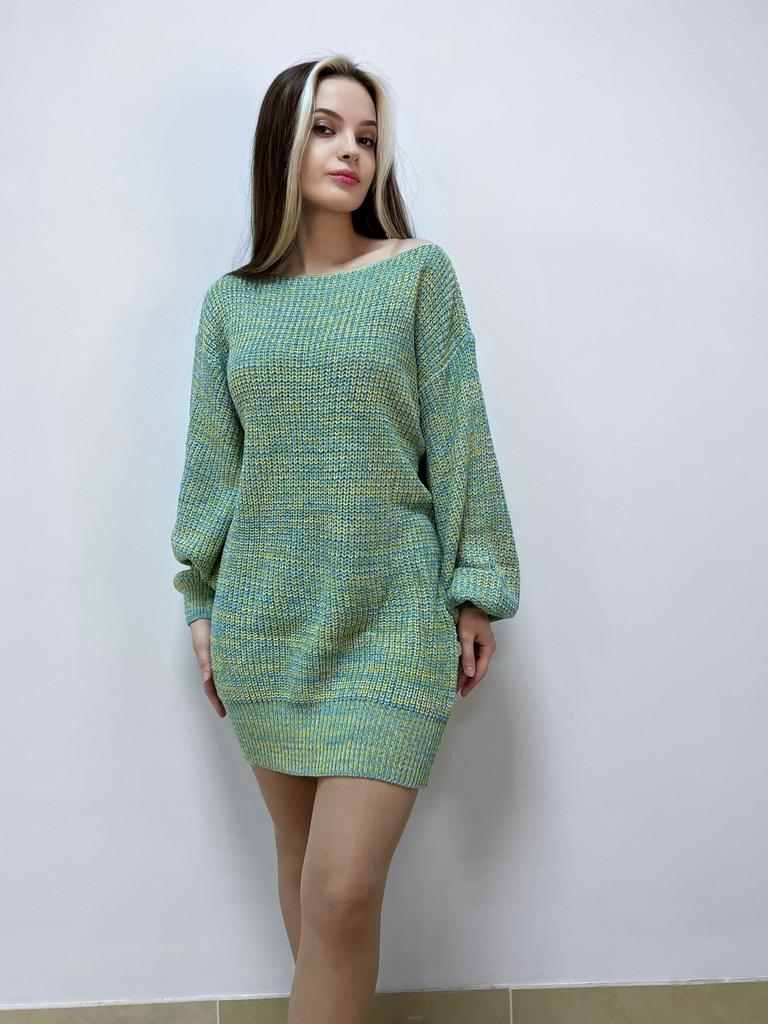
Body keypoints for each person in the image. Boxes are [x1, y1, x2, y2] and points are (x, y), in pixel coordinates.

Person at [170, 53, 521, 1024]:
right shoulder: (230, 305)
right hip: (265, 624)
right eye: (325, 128)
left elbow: (460, 433)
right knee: (304, 872)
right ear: (281, 142)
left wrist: (477, 584)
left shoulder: (417, 275)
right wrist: (200, 601)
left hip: (391, 620)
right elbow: (213, 471)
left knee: (341, 890)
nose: (351, 152)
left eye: (367, 136)